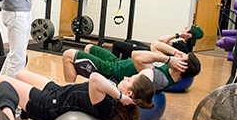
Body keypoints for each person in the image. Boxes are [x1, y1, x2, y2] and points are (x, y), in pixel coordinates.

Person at [0, 69, 155, 120]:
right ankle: (23, 116)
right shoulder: (116, 95)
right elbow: (148, 71)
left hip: (48, 105)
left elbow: (94, 78)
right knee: (20, 74)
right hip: (57, 91)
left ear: (129, 93)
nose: (126, 78)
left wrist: (120, 96)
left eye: (129, 79)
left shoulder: (109, 106)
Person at [63, 41, 201, 93]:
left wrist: (168, 58)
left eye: (182, 58)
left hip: (112, 72)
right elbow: (155, 45)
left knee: (68, 55)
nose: (178, 57)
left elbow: (136, 56)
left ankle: (67, 92)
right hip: (116, 63)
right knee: (89, 47)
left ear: (182, 67)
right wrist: (176, 53)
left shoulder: (161, 78)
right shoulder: (168, 66)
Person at [112, 25, 204, 59]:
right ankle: (123, 64)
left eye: (187, 29)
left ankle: (113, 68)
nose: (185, 28)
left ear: (189, 35)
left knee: (116, 44)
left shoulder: (182, 46)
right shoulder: (186, 45)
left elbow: (160, 41)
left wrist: (178, 34)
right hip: (154, 50)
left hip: (152, 54)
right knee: (128, 41)